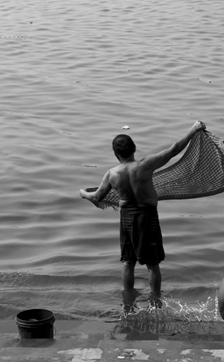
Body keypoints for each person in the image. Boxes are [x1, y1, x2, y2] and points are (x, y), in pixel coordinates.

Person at [81, 120, 206, 299]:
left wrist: (83, 193)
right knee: (153, 264)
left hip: (127, 218)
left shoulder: (112, 174)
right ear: (134, 148)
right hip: (147, 216)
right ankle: (155, 300)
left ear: (116, 153)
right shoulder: (145, 165)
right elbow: (174, 150)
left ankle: (128, 301)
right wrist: (193, 129)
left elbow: (97, 197)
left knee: (127, 262)